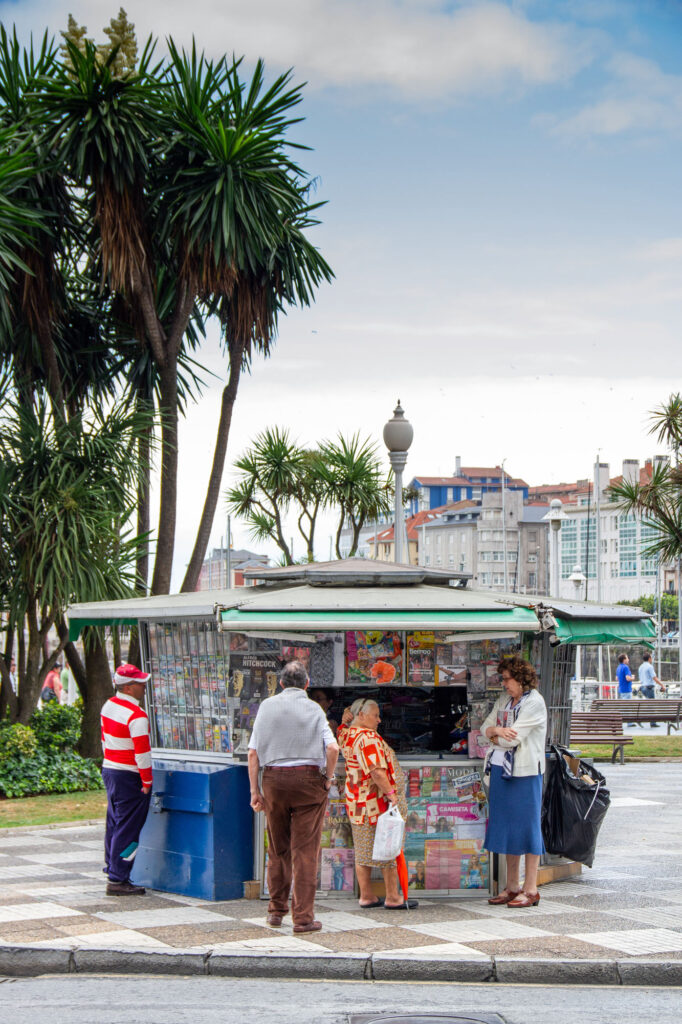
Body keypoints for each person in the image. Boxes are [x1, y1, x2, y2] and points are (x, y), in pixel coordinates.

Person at [248, 660, 339, 934]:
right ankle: (303, 919)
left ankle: (276, 911)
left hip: (274, 781)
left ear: (281, 683)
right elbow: (332, 748)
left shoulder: (266, 706)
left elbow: (253, 754)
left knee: (278, 848)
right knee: (305, 852)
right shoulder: (314, 708)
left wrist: (255, 791)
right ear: (307, 684)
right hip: (309, 781)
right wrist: (328, 778)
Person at [337, 698, 418, 910]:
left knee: (363, 851)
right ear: (362, 715)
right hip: (376, 804)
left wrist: (346, 715)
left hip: (356, 803)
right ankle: (392, 897)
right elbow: (376, 771)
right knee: (389, 848)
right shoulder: (368, 737)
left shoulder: (346, 734)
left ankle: (367, 896)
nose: (379, 720)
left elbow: (343, 724)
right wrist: (391, 793)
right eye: (375, 715)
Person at [481, 656, 547, 909]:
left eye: (507, 679)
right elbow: (486, 728)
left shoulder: (534, 703)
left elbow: (513, 740)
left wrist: (495, 735)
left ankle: (531, 888)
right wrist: (497, 731)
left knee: (528, 828)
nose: (504, 684)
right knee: (508, 828)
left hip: (525, 772)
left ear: (521, 678)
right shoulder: (505, 700)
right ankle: (512, 886)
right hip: (500, 770)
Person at [100, 663, 153, 896]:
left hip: (110, 770)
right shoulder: (137, 716)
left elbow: (104, 739)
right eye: (140, 683)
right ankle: (118, 878)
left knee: (114, 822)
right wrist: (147, 781)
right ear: (129, 687)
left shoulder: (108, 706)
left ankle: (112, 866)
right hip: (130, 775)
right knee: (129, 827)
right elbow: (142, 754)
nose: (144, 686)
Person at [638, 653, 665, 727]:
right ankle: (652, 722)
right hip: (649, 688)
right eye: (651, 657)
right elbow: (654, 677)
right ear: (649, 658)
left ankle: (639, 718)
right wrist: (662, 685)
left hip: (643, 687)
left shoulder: (640, 667)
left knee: (648, 705)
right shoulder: (650, 667)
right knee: (651, 706)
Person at [616, 653, 637, 726]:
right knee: (628, 706)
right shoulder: (625, 667)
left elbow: (617, 678)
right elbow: (628, 678)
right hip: (627, 689)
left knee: (624, 706)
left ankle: (623, 721)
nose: (628, 659)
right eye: (627, 658)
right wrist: (633, 678)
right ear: (624, 660)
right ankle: (629, 722)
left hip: (621, 689)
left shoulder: (618, 667)